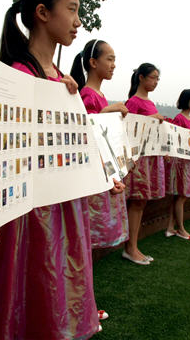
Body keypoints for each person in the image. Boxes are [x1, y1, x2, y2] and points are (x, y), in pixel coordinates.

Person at [0, 0, 100, 339]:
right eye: (71, 10)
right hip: (28, 213)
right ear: (43, 13)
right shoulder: (16, 74)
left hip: (64, 204)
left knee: (59, 286)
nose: (78, 22)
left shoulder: (63, 80)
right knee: (31, 286)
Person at [71, 39, 129, 325]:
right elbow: (83, 129)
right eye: (109, 59)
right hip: (90, 181)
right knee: (83, 246)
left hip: (101, 177)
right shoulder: (87, 94)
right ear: (93, 62)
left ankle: (85, 302)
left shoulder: (99, 96)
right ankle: (82, 305)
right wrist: (109, 112)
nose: (113, 65)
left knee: (88, 248)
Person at [122, 63, 165, 264]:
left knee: (141, 202)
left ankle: (134, 246)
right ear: (141, 77)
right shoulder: (133, 102)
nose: (156, 82)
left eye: (157, 79)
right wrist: (151, 119)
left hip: (149, 158)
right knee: (137, 201)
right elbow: (128, 129)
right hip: (138, 160)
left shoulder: (149, 102)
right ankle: (130, 248)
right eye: (153, 77)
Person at [165, 89, 190, 240]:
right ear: (186, 101)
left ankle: (170, 227)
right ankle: (180, 228)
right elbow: (174, 137)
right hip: (181, 162)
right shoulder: (180, 118)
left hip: (187, 160)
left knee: (179, 196)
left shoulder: (189, 118)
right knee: (181, 195)